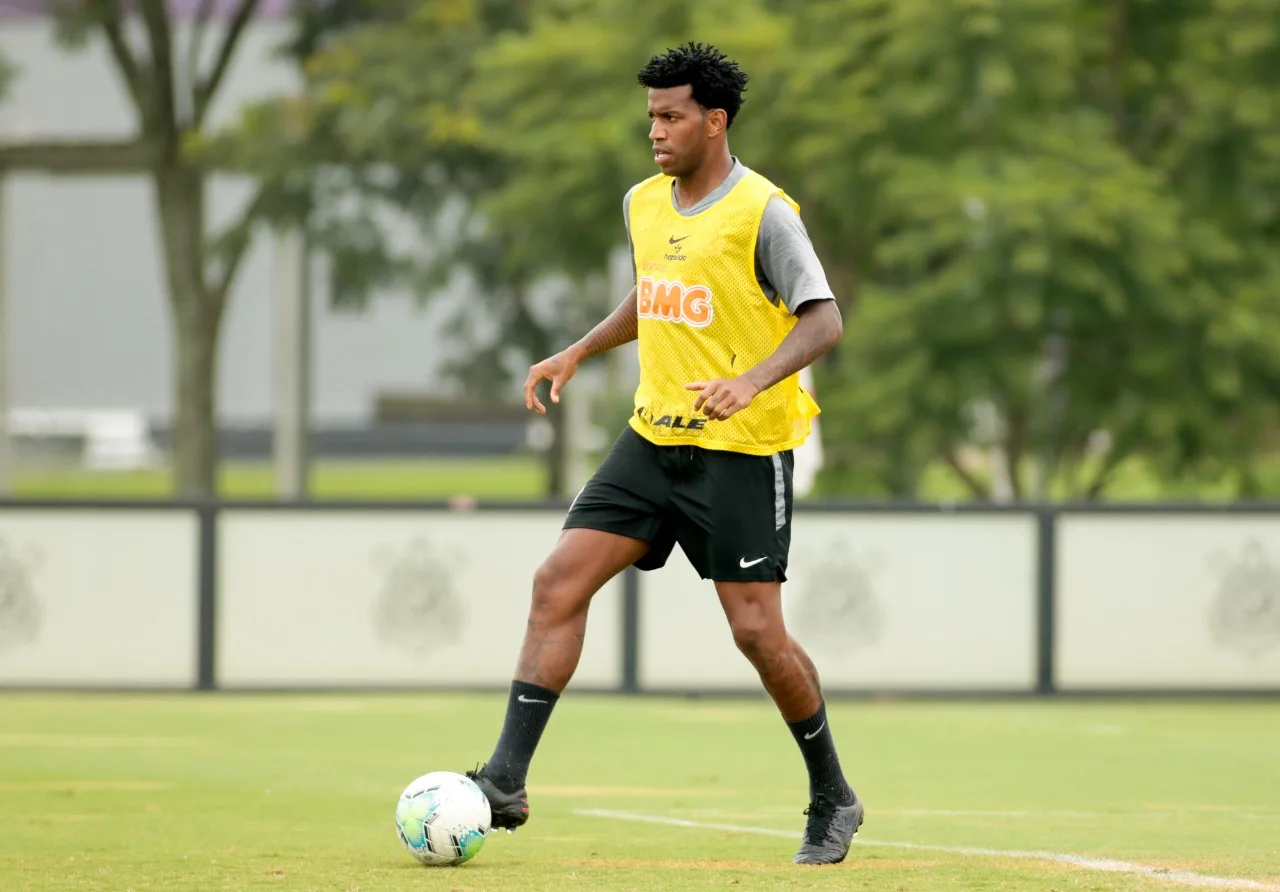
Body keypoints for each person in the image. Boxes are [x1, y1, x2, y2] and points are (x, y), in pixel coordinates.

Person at [466, 41, 863, 866]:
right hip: (654, 439)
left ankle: (833, 795)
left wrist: (750, 381)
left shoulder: (763, 212)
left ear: (714, 122)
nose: (655, 130)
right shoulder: (644, 204)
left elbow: (823, 320)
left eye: (671, 116)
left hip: (742, 452)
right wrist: (579, 350)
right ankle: (505, 778)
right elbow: (655, 296)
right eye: (650, 115)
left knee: (757, 634)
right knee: (557, 581)